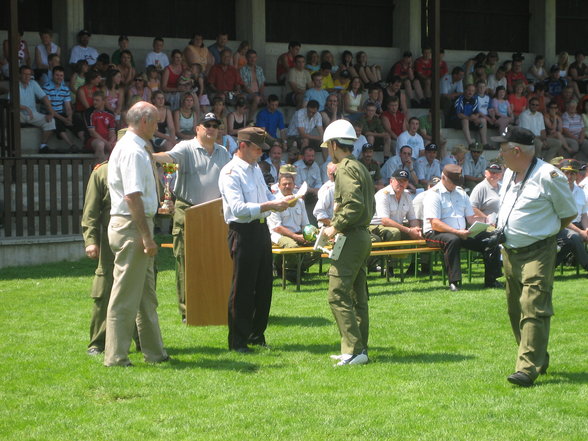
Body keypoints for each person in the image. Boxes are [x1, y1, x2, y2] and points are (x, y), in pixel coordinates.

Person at [492, 126, 577, 387]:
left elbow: (568, 213)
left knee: (533, 307)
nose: (500, 154)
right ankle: (538, 355)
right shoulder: (509, 173)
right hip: (510, 251)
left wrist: (542, 234)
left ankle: (527, 368)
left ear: (517, 151)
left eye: (503, 149)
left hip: (538, 252)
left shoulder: (548, 175)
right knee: (515, 309)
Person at [104, 101, 169, 367]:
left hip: (136, 226)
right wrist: (146, 236)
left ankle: (155, 353)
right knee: (125, 296)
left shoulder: (136, 148)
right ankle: (116, 357)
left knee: (145, 296)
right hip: (132, 227)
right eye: (155, 122)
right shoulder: (132, 151)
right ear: (144, 121)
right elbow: (132, 197)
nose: (157, 127)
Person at [218, 127, 292, 352]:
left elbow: (267, 196)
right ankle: (237, 341)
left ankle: (256, 335)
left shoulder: (255, 169)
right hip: (243, 231)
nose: (262, 153)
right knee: (242, 289)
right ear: (243, 146)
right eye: (258, 148)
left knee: (263, 286)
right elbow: (238, 208)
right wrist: (271, 205)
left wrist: (285, 199)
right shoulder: (230, 172)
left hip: (261, 230)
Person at [153, 112, 231, 321]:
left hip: (215, 213)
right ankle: (188, 311)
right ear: (197, 128)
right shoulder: (185, 147)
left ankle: (214, 304)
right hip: (187, 210)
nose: (211, 128)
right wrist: (147, 155)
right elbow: (168, 158)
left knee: (215, 260)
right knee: (185, 262)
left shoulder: (223, 152)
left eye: (215, 125)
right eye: (207, 125)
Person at [321, 119, 374, 366]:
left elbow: (353, 204)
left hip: (352, 235)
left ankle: (353, 350)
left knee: (337, 293)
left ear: (333, 144)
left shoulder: (343, 168)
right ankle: (357, 349)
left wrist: (335, 226)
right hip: (362, 234)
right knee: (357, 294)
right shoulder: (359, 166)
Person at [423, 164, 502, 291]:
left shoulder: (461, 193)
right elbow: (435, 223)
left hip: (462, 232)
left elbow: (470, 218)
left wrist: (485, 221)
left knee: (492, 238)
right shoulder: (433, 195)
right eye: (453, 182)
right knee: (452, 240)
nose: (455, 185)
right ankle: (454, 281)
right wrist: (457, 232)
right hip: (435, 233)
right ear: (443, 177)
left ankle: (492, 279)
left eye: (457, 182)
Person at [267, 172, 314, 282]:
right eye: (284, 184)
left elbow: (305, 224)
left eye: (290, 184)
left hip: (297, 233)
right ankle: (288, 271)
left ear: (294, 185)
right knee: (292, 247)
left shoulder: (300, 201)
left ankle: (296, 269)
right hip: (279, 235)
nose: (287, 186)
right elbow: (277, 227)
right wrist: (295, 237)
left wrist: (309, 235)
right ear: (279, 186)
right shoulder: (275, 202)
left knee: (319, 246)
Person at [369, 169, 422, 242]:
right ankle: (389, 254)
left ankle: (406, 253)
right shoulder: (383, 194)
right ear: (391, 181)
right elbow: (385, 221)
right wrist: (409, 231)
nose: (401, 184)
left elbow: (412, 218)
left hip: (397, 226)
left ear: (407, 184)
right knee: (395, 232)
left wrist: (417, 229)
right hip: (377, 226)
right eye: (399, 181)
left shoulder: (407, 195)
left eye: (404, 181)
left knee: (421, 232)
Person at [554, 159, 588, 271]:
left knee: (573, 239)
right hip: (561, 226)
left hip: (578, 224)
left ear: (577, 175)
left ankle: (550, 266)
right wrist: (581, 232)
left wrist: (587, 229)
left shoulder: (580, 191)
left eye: (572, 173)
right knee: (575, 237)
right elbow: (562, 218)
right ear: (561, 173)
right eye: (566, 172)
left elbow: (584, 214)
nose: (569, 176)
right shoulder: (557, 190)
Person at [15, 65, 56, 153]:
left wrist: (51, 112)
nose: (27, 76)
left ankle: (43, 146)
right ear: (19, 75)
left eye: (29, 74)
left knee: (51, 121)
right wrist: (25, 108)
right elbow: (11, 103)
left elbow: (44, 97)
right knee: (12, 119)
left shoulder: (33, 83)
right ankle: (14, 149)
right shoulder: (14, 84)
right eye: (24, 74)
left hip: (32, 114)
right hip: (18, 113)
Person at [42, 65, 79, 151]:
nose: (59, 77)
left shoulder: (65, 89)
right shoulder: (46, 87)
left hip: (60, 113)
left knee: (77, 119)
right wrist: (64, 119)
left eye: (61, 75)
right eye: (57, 75)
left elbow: (68, 107)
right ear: (52, 76)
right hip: (49, 113)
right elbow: (50, 109)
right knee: (57, 122)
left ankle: (85, 144)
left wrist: (69, 117)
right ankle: (72, 145)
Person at [519, 97, 562, 161]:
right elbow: (527, 133)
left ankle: (546, 162)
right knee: (539, 143)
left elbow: (543, 130)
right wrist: (541, 139)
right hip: (528, 139)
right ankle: (537, 163)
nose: (534, 106)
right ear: (529, 105)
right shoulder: (524, 115)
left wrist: (544, 139)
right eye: (533, 104)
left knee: (558, 143)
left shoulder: (540, 115)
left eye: (537, 105)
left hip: (540, 138)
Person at [84, 90, 116, 163]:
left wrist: (111, 141)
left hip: (107, 139)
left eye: (97, 100)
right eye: (94, 100)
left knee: (117, 144)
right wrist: (106, 142)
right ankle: (100, 171)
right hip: (92, 140)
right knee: (100, 144)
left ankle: (109, 168)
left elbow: (112, 132)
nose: (94, 102)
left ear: (104, 101)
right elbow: (92, 132)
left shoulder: (110, 114)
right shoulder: (89, 112)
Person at [313, 162, 337, 227]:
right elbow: (318, 211)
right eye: (331, 174)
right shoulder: (328, 189)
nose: (334, 176)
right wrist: (333, 226)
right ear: (327, 174)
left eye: (336, 173)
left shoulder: (343, 186)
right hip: (327, 226)